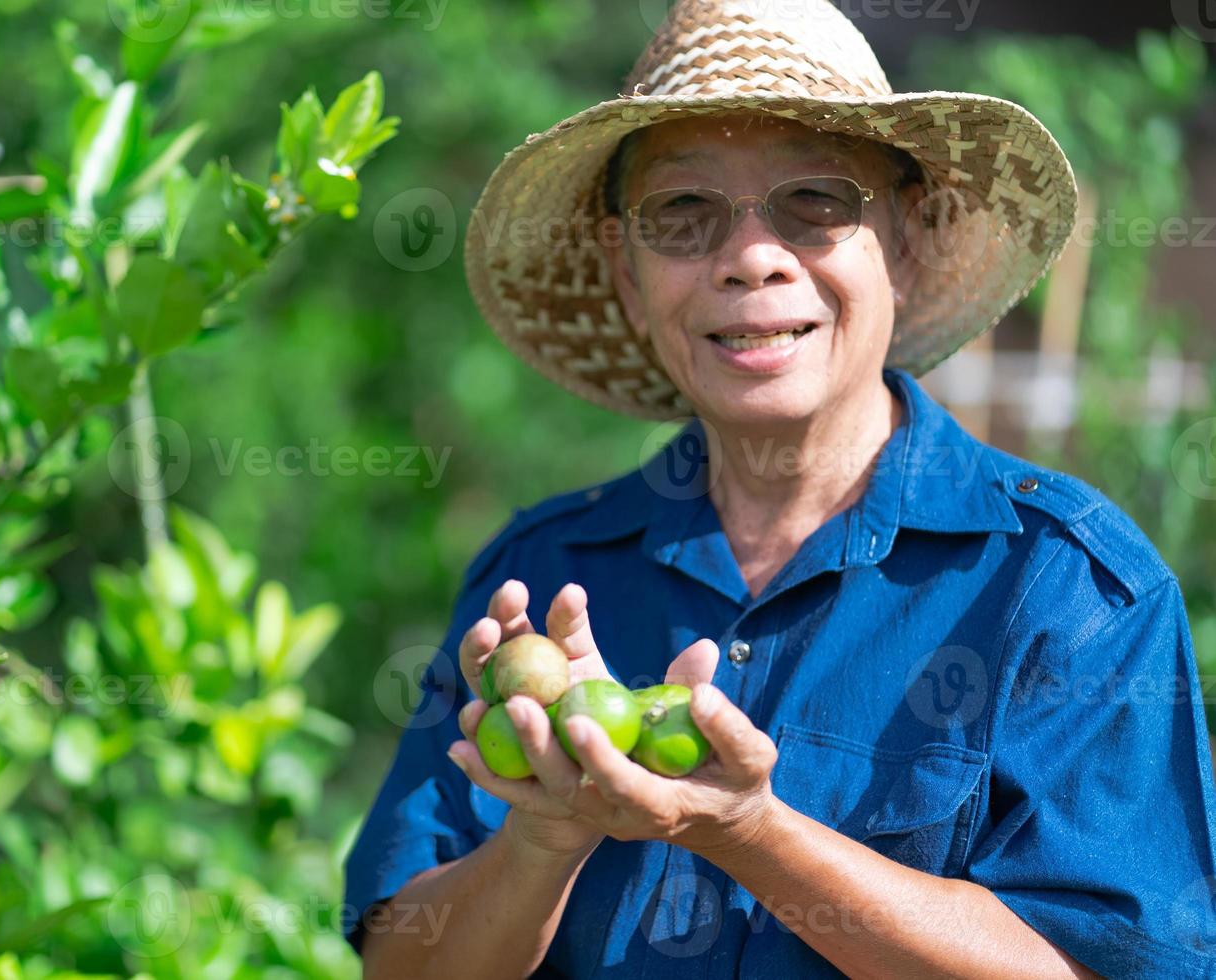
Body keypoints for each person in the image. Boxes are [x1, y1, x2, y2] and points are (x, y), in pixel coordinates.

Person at [345, 1, 1216, 976]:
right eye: (684, 213)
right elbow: (400, 964)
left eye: (817, 200)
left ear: (909, 239)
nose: (752, 256)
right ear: (626, 277)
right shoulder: (539, 577)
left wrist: (751, 830)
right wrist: (543, 836)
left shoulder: (1068, 589)